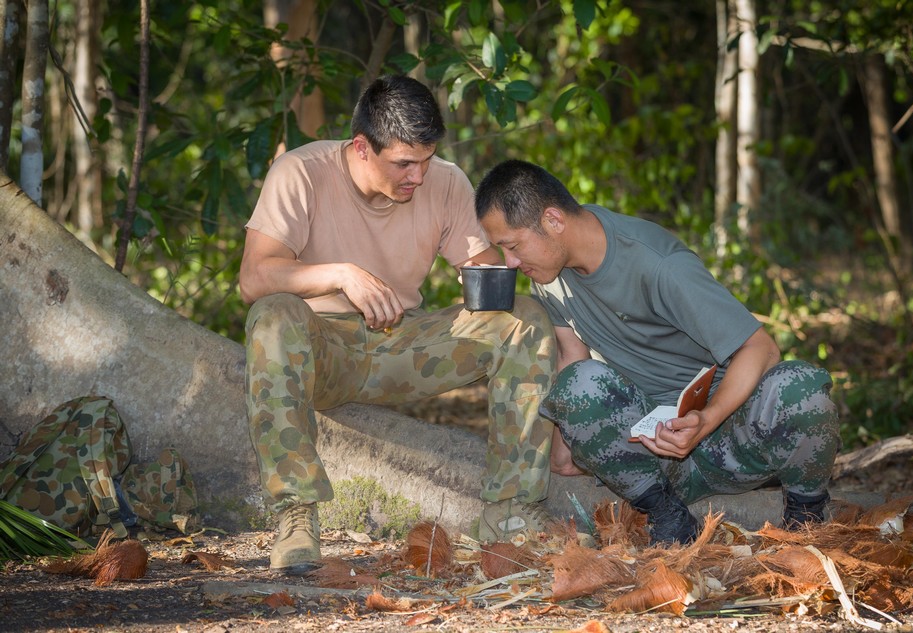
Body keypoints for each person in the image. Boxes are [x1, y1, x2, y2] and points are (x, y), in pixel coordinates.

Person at [239, 77, 557, 574]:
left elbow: (483, 269)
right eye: (405, 163)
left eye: (427, 160)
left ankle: (511, 516)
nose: (419, 175)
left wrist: (489, 275)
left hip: (404, 347)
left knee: (523, 319)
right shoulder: (300, 171)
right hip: (321, 351)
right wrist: (340, 274)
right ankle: (295, 516)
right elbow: (254, 277)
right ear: (362, 148)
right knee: (272, 316)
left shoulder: (445, 182)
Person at [474, 159, 840, 545]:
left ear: (553, 220)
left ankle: (805, 518)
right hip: (651, 453)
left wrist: (707, 419)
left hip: (728, 438)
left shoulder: (658, 264)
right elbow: (573, 358)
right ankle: (668, 517)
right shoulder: (549, 274)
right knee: (577, 386)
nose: (510, 263)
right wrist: (563, 447)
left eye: (512, 246)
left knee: (801, 388)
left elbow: (761, 349)